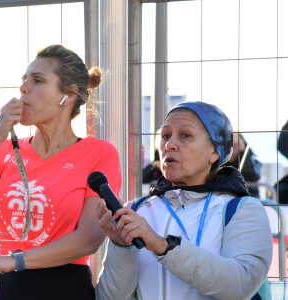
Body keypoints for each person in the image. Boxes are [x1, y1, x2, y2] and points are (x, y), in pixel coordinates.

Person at [96, 101, 272, 300]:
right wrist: (121, 246)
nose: (169, 144)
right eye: (165, 136)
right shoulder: (138, 210)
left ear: (215, 151)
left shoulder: (240, 210)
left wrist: (163, 246)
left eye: (185, 135)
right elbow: (108, 298)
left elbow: (241, 285)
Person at [0, 44, 121, 300]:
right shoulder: (3, 150)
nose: (24, 88)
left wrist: (14, 261)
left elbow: (88, 239)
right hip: (9, 289)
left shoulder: (99, 153)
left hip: (65, 287)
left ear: (68, 95)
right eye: (24, 80)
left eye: (37, 80)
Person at [225, 133, 262, 197]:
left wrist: (243, 153)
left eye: (234, 146)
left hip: (248, 200)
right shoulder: (220, 165)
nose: (231, 151)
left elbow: (252, 176)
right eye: (227, 146)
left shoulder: (255, 163)